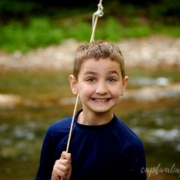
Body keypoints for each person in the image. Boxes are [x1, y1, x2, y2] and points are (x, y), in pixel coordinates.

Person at [35, 40, 147, 180]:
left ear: (123, 85)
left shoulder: (130, 145)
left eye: (111, 79)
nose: (101, 90)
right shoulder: (56, 134)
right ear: (74, 84)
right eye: (91, 79)